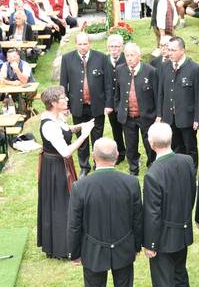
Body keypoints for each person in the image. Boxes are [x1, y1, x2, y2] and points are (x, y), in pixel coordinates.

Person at [67, 137, 143, 287]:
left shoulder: (80, 187)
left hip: (92, 250)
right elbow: (138, 219)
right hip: (123, 247)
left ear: (93, 156)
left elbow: (74, 225)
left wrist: (74, 253)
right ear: (116, 156)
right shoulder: (131, 183)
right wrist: (136, 246)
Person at [38, 86, 94, 259]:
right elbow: (66, 152)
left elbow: (66, 129)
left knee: (66, 202)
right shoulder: (49, 125)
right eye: (63, 98)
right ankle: (64, 248)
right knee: (61, 204)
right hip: (55, 168)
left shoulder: (57, 117)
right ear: (54, 103)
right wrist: (84, 135)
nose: (67, 99)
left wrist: (79, 126)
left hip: (59, 165)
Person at [143, 122, 196, 287]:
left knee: (164, 282)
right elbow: (191, 193)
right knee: (180, 275)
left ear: (151, 144)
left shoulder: (153, 174)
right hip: (183, 229)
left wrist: (150, 244)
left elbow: (152, 214)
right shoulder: (187, 161)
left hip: (164, 238)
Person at [60, 32, 112, 178]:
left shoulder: (101, 58)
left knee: (97, 136)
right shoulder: (67, 59)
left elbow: (107, 83)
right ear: (76, 44)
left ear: (90, 43)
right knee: (81, 138)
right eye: (80, 44)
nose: (83, 47)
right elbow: (63, 84)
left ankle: (97, 163)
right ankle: (84, 166)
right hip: (78, 105)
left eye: (85, 44)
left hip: (97, 105)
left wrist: (108, 104)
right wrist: (64, 106)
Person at [114, 42, 157, 176]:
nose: (129, 58)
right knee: (130, 145)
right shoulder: (120, 69)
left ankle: (152, 165)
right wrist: (118, 109)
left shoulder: (150, 71)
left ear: (139, 56)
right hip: (128, 117)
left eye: (132, 55)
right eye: (127, 55)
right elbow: (117, 93)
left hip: (146, 116)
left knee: (149, 143)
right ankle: (133, 168)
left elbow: (156, 95)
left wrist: (156, 114)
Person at [157, 36, 199, 168]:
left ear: (182, 50)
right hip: (169, 116)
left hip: (187, 117)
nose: (170, 53)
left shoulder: (194, 68)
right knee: (175, 146)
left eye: (173, 50)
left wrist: (197, 118)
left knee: (190, 147)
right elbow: (161, 92)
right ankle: (178, 169)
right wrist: (160, 114)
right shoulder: (165, 66)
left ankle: (191, 172)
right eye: (169, 50)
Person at [106, 34, 126, 165]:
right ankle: (120, 152)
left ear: (122, 47)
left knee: (129, 130)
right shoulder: (104, 61)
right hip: (112, 103)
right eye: (111, 46)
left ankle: (132, 153)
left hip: (125, 102)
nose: (114, 49)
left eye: (117, 46)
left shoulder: (127, 59)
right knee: (116, 129)